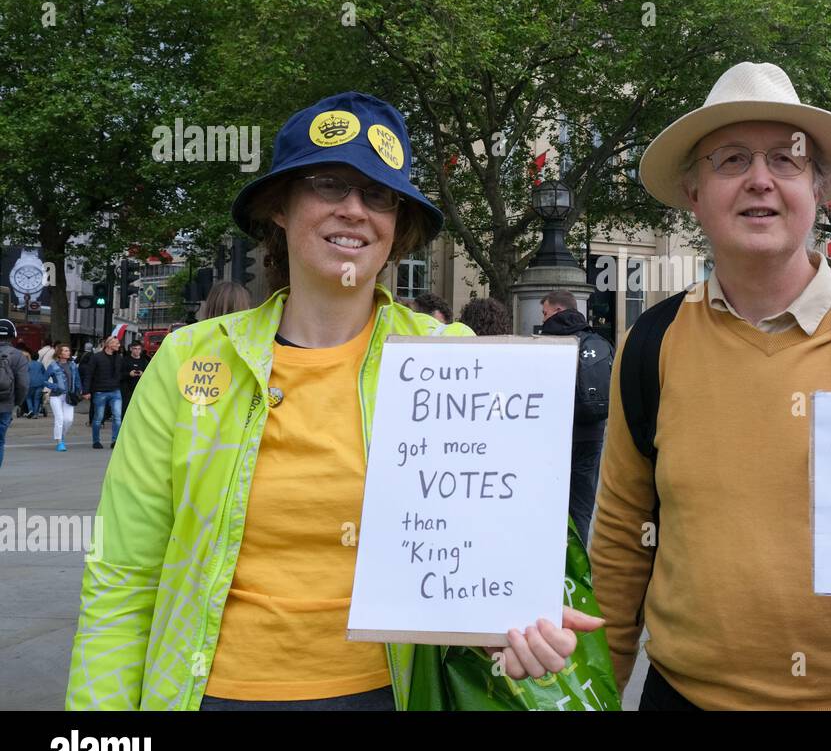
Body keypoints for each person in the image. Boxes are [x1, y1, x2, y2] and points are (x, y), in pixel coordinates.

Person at [67, 91, 609, 711]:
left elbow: (484, 555)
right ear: (280, 207)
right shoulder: (192, 360)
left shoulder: (454, 360)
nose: (354, 209)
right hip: (208, 695)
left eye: (377, 194)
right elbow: (122, 576)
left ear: (396, 225)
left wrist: (510, 633)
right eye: (329, 185)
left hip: (389, 696)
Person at [590, 62, 831, 711]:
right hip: (684, 699)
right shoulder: (651, 346)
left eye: (786, 159)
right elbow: (620, 541)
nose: (759, 180)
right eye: (731, 160)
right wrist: (595, 692)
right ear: (693, 191)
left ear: (821, 192)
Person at [540, 290, 613, 546]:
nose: (544, 317)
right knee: (582, 506)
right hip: (592, 433)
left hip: (555, 435)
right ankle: (581, 567)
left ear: (558, 311)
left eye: (546, 312)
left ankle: (553, 559)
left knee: (549, 505)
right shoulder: (597, 340)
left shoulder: (547, 342)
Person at [79, 336, 125, 449]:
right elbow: (89, 374)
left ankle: (115, 440)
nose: (119, 345)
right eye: (116, 343)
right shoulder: (97, 357)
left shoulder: (119, 358)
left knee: (117, 417)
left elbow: (122, 373)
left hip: (115, 390)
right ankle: (96, 440)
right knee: (98, 417)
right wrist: (86, 391)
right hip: (100, 391)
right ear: (109, 345)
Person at [0, 320, 31, 469]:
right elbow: (23, 384)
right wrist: (17, 402)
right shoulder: (18, 356)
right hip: (5, 405)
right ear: (13, 335)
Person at [46, 343, 82, 452]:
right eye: (65, 351)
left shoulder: (73, 365)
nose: (68, 352)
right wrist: (53, 386)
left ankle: (61, 436)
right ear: (59, 353)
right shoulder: (53, 366)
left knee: (69, 420)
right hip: (56, 396)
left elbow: (77, 380)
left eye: (68, 350)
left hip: (69, 396)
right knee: (59, 418)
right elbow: (43, 380)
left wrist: (79, 390)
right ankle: (59, 442)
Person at [119, 341, 150, 412]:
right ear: (131, 349)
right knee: (126, 409)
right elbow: (119, 375)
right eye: (135, 349)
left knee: (138, 410)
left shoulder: (144, 361)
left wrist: (143, 374)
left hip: (140, 390)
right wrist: (129, 374)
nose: (137, 351)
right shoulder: (124, 360)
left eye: (139, 349)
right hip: (127, 390)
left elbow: (150, 375)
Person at [25, 352, 48, 417]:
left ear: (31, 357)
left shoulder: (27, 364)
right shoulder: (40, 364)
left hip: (30, 383)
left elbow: (24, 373)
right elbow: (44, 373)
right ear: (38, 357)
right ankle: (35, 414)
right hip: (40, 383)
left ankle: (30, 410)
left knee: (28, 397)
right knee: (37, 398)